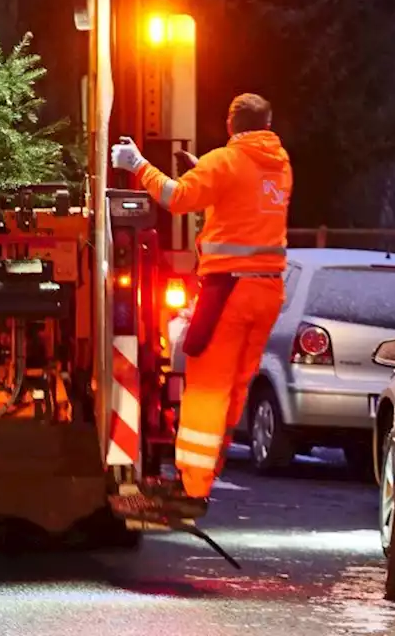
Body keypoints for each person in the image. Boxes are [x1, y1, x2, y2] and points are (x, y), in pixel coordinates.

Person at [111, 93, 292, 518]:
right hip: (267, 293)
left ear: (232, 124)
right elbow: (243, 201)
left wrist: (136, 164)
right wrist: (205, 175)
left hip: (229, 290)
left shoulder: (225, 161)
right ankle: (205, 478)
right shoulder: (279, 164)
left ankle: (191, 490)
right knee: (232, 390)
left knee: (207, 389)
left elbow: (176, 198)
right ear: (266, 124)